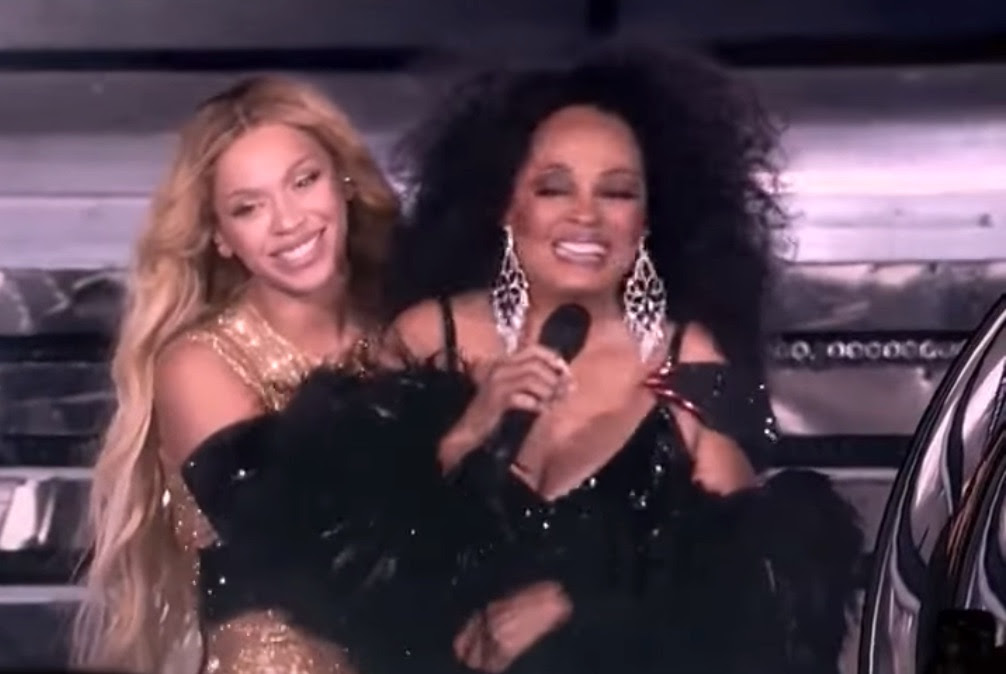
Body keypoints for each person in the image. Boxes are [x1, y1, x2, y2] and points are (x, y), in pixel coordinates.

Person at [382, 47, 864, 673]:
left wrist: (577, 599)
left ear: (646, 220)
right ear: (506, 205)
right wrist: (469, 431)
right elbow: (355, 540)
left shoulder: (690, 357)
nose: (586, 215)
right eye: (554, 187)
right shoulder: (427, 337)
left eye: (616, 192)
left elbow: (748, 595)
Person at [71, 75, 398, 674]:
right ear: (221, 237)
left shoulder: (408, 330)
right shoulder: (200, 366)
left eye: (304, 181)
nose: (288, 221)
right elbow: (303, 552)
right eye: (249, 207)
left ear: (345, 182)